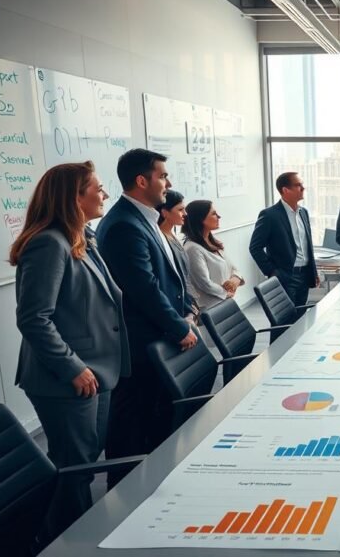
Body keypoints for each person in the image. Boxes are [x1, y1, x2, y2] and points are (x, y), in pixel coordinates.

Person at [10, 161, 129, 541]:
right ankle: (64, 542)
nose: (104, 194)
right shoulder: (48, 243)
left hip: (98, 370)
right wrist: (73, 367)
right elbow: (33, 319)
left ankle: (71, 536)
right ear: (73, 197)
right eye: (96, 188)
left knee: (83, 464)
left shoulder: (81, 236)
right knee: (73, 468)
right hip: (66, 377)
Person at [96, 149, 196, 486]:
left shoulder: (145, 218)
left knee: (156, 423)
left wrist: (186, 310)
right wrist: (178, 326)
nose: (168, 183)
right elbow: (144, 288)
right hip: (141, 348)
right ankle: (122, 501)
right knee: (131, 431)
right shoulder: (124, 224)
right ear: (142, 180)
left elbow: (168, 279)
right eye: (162, 176)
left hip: (157, 341)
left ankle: (153, 488)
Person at [249, 171, 320, 308]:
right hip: (285, 276)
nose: (303, 188)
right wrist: (272, 272)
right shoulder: (270, 215)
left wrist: (313, 271)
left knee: (300, 318)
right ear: (285, 190)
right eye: (298, 185)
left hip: (304, 275)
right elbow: (255, 247)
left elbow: (307, 245)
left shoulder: (303, 212)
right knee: (283, 319)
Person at [182, 200, 245, 311]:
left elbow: (234, 269)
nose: (218, 217)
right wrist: (226, 292)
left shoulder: (214, 242)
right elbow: (204, 283)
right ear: (201, 219)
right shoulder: (192, 248)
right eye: (214, 213)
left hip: (225, 303)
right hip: (211, 308)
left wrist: (235, 280)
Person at [156, 189, 197, 322]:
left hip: (186, 305)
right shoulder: (160, 240)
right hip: (177, 310)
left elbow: (184, 276)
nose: (185, 214)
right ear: (164, 213)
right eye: (180, 210)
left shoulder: (172, 234)